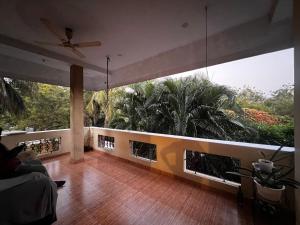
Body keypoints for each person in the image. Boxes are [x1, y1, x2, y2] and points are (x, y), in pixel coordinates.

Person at [0, 128, 65, 187]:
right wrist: (15, 151)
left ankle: (47, 182)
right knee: (42, 168)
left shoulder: (0, 145)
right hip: (14, 168)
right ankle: (51, 185)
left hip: (16, 163)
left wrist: (16, 150)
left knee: (37, 161)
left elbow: (7, 156)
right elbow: (6, 158)